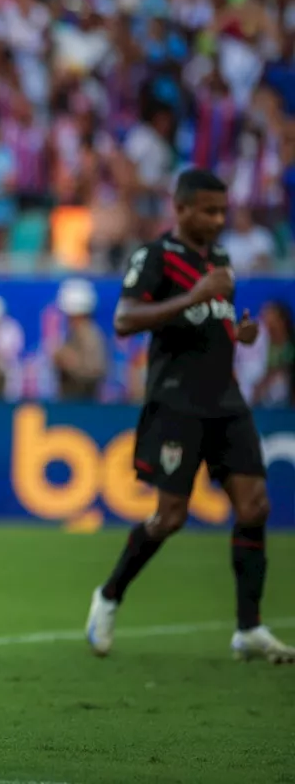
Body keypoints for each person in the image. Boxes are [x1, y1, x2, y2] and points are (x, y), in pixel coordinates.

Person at [86, 168, 295, 664]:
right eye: (209, 210)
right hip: (176, 402)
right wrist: (196, 296)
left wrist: (237, 335)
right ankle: (109, 595)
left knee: (255, 506)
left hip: (226, 399)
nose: (219, 220)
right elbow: (124, 319)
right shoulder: (156, 257)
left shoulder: (220, 261)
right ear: (180, 209)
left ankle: (248, 628)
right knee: (171, 516)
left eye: (223, 211)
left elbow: (210, 323)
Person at [52, 278, 108, 401]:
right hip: (73, 399)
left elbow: (95, 371)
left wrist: (68, 360)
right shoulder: (75, 334)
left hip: (84, 402)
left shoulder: (90, 335)